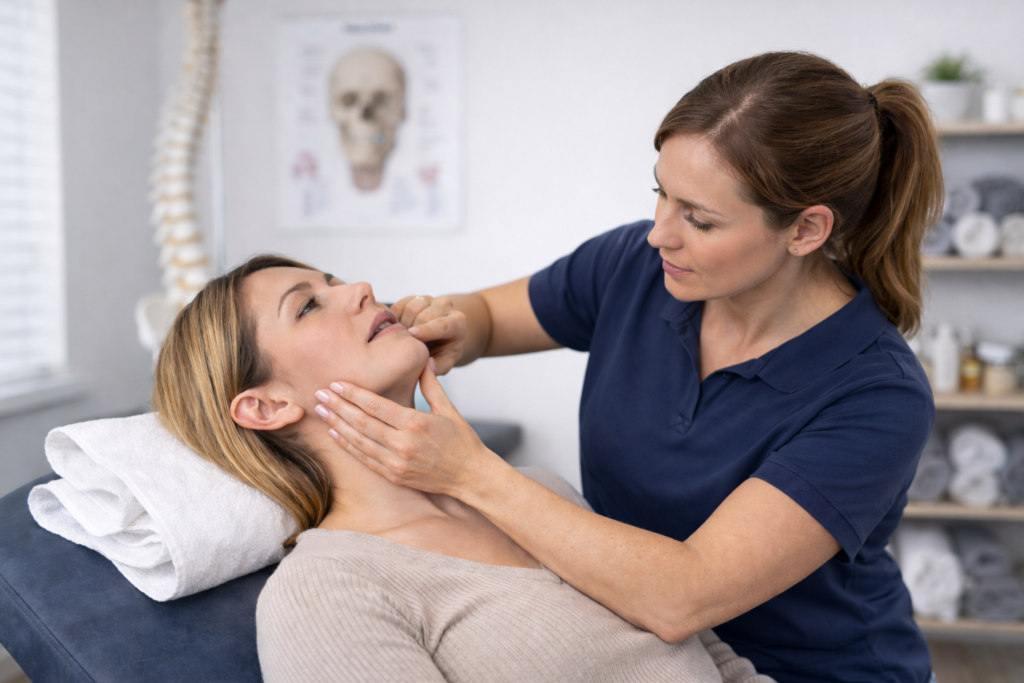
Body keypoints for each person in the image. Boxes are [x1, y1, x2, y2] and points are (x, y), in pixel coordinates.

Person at [310, 52, 944, 683]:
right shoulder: (635, 270)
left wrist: (470, 473)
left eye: (698, 218)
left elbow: (684, 594)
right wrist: (454, 325)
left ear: (805, 230)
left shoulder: (876, 394)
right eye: (660, 193)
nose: (658, 234)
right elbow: (491, 317)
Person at [150, 255, 775, 683]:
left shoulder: (537, 489)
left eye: (333, 279)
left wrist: (476, 472)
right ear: (265, 406)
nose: (360, 288)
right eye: (308, 306)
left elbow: (714, 659)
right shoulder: (326, 589)